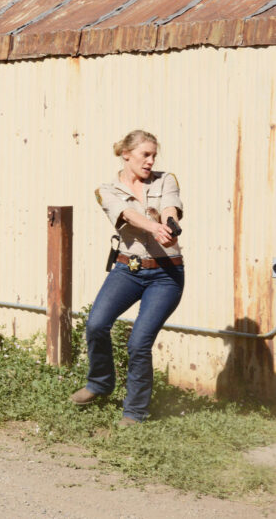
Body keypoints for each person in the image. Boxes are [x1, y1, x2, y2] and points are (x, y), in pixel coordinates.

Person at [70, 130, 184, 426]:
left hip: (166, 273)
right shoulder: (106, 190)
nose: (151, 160)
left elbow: (170, 204)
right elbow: (127, 215)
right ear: (126, 155)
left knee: (138, 342)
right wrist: (153, 227)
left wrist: (169, 222)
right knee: (96, 324)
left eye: (154, 155)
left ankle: (134, 412)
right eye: (145, 154)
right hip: (128, 269)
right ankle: (100, 383)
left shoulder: (165, 179)